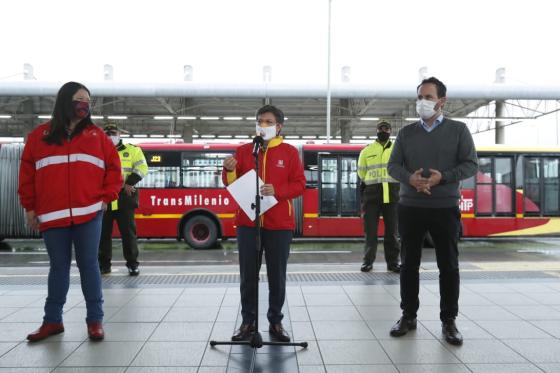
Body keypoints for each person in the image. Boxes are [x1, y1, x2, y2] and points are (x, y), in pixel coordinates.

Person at [18, 81, 122, 342]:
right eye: (78, 99)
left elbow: (114, 170)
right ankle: (52, 321)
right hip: (52, 215)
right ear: (65, 101)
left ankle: (95, 321)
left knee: (89, 266)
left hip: (89, 213)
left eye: (88, 101)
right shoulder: (39, 137)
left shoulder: (98, 137)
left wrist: (107, 197)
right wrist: (29, 207)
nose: (84, 105)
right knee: (58, 268)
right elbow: (27, 175)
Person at [387, 77, 478, 345]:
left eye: (428, 97)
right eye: (419, 97)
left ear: (441, 100)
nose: (422, 102)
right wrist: (410, 178)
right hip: (410, 207)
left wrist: (443, 177)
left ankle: (449, 320)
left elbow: (471, 164)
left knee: (448, 265)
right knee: (408, 265)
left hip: (445, 207)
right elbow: (393, 166)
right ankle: (408, 315)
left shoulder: (459, 131)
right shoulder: (405, 134)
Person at [222, 105, 306, 342]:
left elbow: (300, 185)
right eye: (260, 121)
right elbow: (231, 183)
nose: (263, 126)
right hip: (248, 223)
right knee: (248, 274)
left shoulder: (289, 153)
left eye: (269, 122)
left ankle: (276, 322)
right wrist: (228, 170)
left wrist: (277, 191)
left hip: (279, 224)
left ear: (279, 126)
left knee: (277, 275)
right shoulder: (243, 150)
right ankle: (248, 322)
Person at [98, 123, 148, 276]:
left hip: (125, 197)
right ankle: (104, 265)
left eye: (113, 132)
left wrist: (130, 182)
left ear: (119, 134)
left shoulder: (132, 150)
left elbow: (142, 167)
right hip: (105, 198)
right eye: (107, 133)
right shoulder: (97, 151)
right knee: (103, 234)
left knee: (128, 233)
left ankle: (132, 264)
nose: (110, 135)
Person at [358, 120, 401, 273]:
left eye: (387, 129)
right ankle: (367, 262)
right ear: (376, 131)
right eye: (381, 128)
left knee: (392, 232)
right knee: (370, 232)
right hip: (372, 195)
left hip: (392, 193)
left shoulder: (397, 149)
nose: (384, 131)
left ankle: (393, 263)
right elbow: (361, 172)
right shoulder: (366, 151)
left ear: (390, 131)